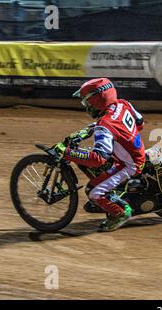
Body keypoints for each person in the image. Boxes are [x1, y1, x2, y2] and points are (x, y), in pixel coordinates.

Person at [55, 78, 146, 232]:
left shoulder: (104, 125)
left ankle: (121, 213)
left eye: (87, 102)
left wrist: (66, 153)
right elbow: (140, 124)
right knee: (93, 156)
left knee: (93, 191)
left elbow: (98, 159)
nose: (87, 106)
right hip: (135, 152)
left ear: (97, 99)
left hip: (129, 165)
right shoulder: (123, 104)